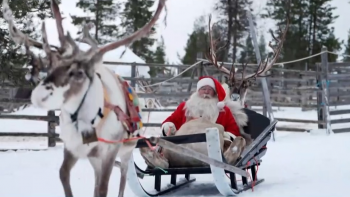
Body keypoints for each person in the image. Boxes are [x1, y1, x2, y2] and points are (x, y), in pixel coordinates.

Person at [161, 76, 241, 138]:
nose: (206, 92)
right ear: (198, 90)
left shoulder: (223, 111)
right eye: (203, 89)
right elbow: (170, 121)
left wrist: (225, 136)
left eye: (210, 89)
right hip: (185, 144)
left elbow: (234, 131)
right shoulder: (185, 107)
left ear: (214, 92)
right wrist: (168, 127)